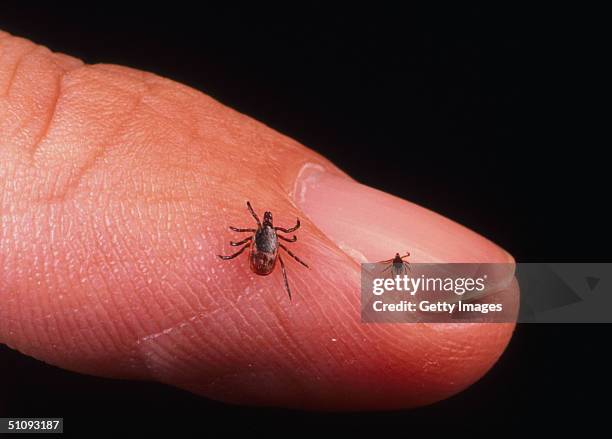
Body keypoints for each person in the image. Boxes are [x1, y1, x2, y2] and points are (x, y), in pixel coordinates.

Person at [0, 30, 516, 410]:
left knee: (282, 261)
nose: (266, 231)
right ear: (263, 236)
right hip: (272, 260)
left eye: (264, 229)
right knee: (287, 263)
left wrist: (249, 241)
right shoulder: (273, 238)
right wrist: (257, 242)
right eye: (263, 229)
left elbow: (268, 236)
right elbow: (277, 238)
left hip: (267, 257)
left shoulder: (263, 236)